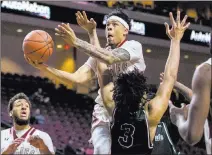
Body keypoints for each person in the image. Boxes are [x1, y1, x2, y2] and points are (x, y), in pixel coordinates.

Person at [25, 9, 146, 154]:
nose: (109, 28)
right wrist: (44, 67)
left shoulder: (133, 46)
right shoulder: (100, 52)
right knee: (102, 151)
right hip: (103, 112)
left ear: (125, 30)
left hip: (130, 111)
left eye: (114, 24)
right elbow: (77, 78)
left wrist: (77, 41)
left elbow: (109, 58)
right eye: (107, 25)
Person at [96, 11, 190, 154]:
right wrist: (175, 40)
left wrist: (93, 35)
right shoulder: (150, 114)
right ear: (142, 92)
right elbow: (170, 77)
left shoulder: (112, 108)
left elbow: (103, 72)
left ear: (117, 93)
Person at [162, 53, 211, 153]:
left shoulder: (206, 71)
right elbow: (202, 99)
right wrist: (176, 84)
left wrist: (178, 118)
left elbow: (192, 135)